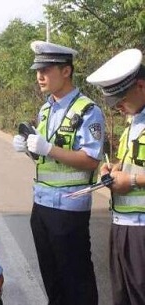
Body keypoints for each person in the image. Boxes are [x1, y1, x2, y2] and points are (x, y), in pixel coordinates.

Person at [12, 41, 105, 305]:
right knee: (52, 279)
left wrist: (49, 148)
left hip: (69, 207)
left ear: (66, 71)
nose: (39, 76)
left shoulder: (87, 110)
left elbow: (90, 160)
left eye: (47, 69)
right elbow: (46, 157)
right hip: (41, 206)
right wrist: (30, 148)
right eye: (37, 70)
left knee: (76, 281)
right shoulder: (45, 109)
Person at [87, 48, 145, 305]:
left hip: (142, 229)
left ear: (141, 86)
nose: (117, 107)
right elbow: (133, 160)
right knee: (122, 296)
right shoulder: (135, 120)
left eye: (120, 100)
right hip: (123, 223)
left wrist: (131, 181)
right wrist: (114, 169)